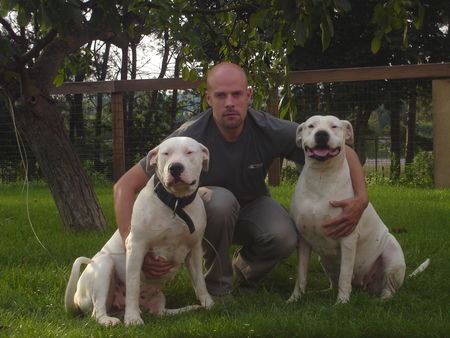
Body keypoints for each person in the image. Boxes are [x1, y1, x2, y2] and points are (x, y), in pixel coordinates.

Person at [113, 62, 369, 297]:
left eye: (236, 94)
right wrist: (130, 243)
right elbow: (124, 186)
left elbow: (348, 153)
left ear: (248, 95)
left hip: (253, 206)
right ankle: (217, 289)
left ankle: (243, 272)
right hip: (209, 212)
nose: (229, 102)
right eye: (221, 95)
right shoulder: (190, 136)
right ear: (208, 98)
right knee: (221, 201)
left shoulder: (269, 128)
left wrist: (361, 199)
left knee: (285, 235)